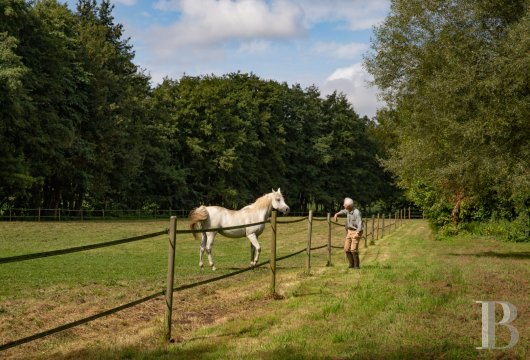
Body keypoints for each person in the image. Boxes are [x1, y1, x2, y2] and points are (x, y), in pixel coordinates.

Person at [333, 197, 363, 269]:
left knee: (353, 249)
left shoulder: (357, 213)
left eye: (344, 204)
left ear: (348, 205)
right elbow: (343, 211)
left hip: (356, 231)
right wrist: (336, 214)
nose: (343, 205)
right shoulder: (348, 210)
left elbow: (360, 224)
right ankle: (351, 265)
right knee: (346, 249)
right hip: (349, 231)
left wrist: (357, 233)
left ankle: (356, 266)